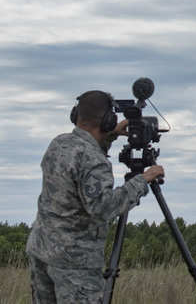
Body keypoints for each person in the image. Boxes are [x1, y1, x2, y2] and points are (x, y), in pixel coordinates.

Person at [26, 90, 165, 303]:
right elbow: (103, 209)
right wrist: (143, 179)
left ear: (76, 115)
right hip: (74, 262)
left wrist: (109, 135)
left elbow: (83, 155)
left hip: (41, 250)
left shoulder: (58, 144)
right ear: (108, 120)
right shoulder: (95, 161)